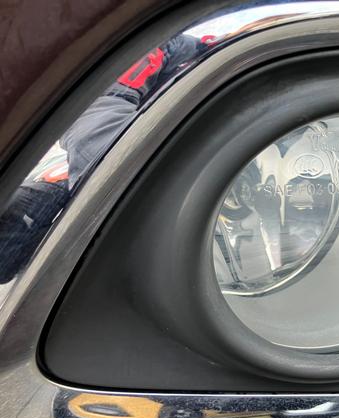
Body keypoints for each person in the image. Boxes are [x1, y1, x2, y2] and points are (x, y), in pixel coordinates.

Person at [0, 34, 217, 283]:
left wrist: (205, 45)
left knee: (114, 163)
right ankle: (64, 183)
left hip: (101, 96)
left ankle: (69, 183)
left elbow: (168, 45)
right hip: (95, 103)